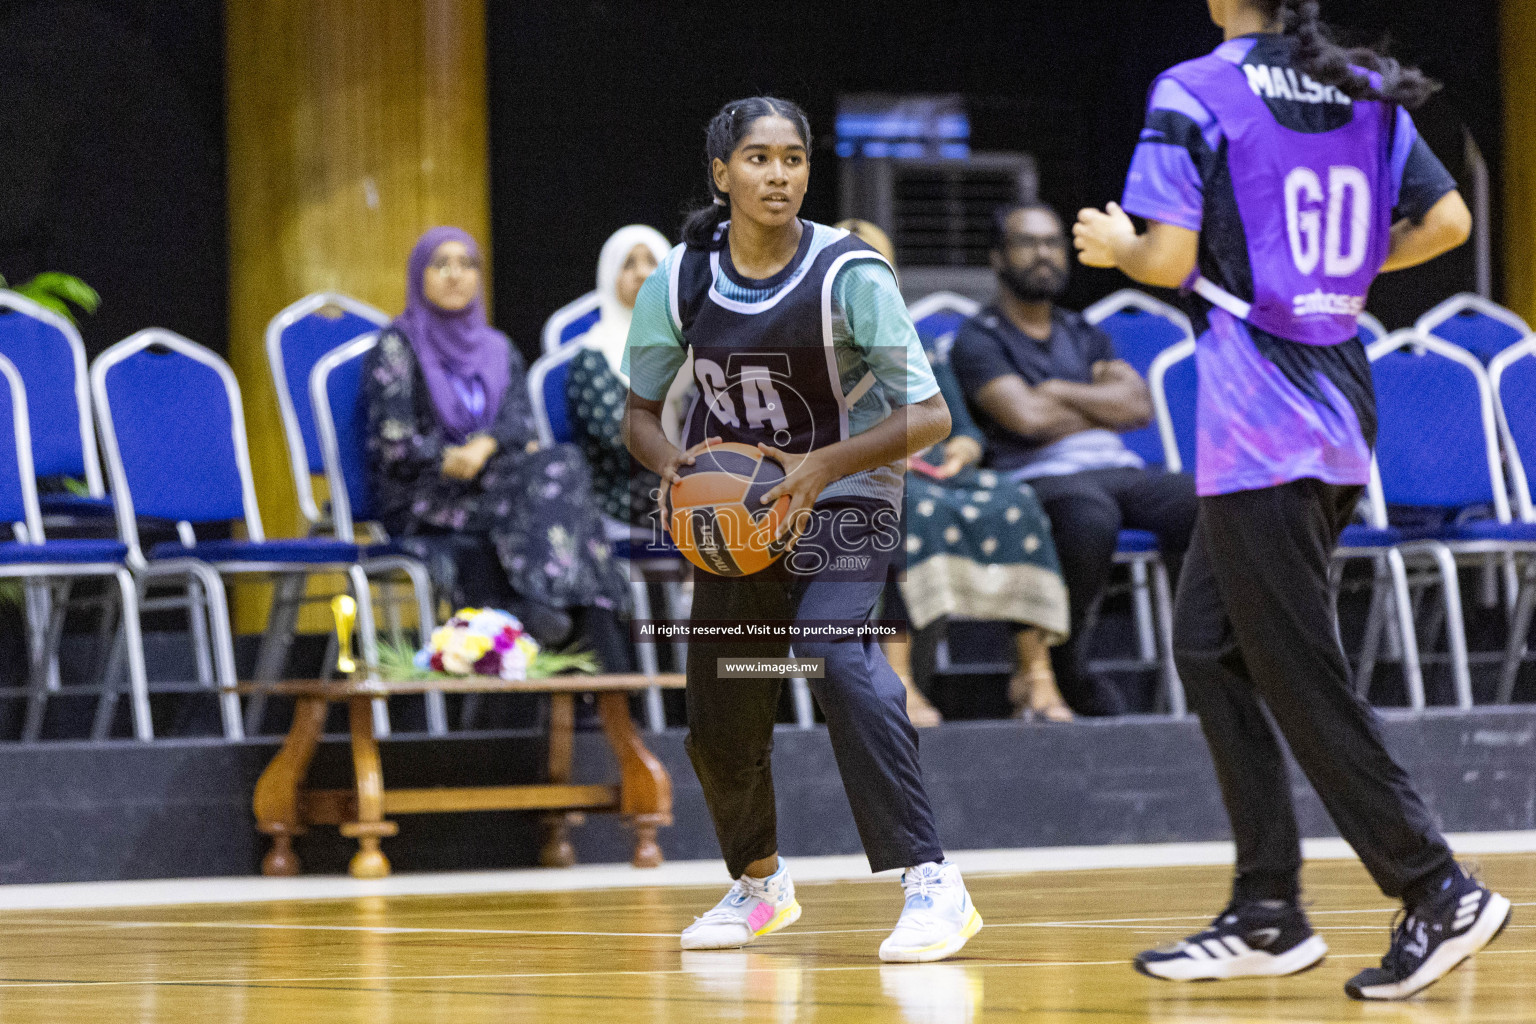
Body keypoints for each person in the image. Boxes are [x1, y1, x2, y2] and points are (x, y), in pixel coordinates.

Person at [1074, 0, 1508, 1000]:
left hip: (1265, 415)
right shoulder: (1360, 86)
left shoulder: (1197, 89)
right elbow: (1448, 222)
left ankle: (1435, 884)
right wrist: (1339, 275)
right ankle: (1268, 908)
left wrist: (1115, 242)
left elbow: (1171, 258)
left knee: (1299, 672)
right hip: (1337, 398)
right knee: (1208, 645)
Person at [623, 97, 982, 962]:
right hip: (742, 511)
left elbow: (928, 415)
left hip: (849, 492)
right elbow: (639, 415)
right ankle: (758, 884)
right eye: (757, 159)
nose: (777, 175)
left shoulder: (849, 273)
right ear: (721, 173)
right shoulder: (679, 278)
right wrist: (676, 470)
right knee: (721, 704)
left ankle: (932, 882)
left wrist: (820, 467)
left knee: (832, 653)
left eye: (792, 158)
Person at [950, 202, 1199, 716]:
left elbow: (1137, 406)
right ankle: (1064, 663)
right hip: (1037, 475)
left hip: (1119, 468)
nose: (1043, 254)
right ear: (998, 258)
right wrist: (1096, 402)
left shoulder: (1081, 331)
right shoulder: (980, 338)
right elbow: (1025, 420)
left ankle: (1210, 661)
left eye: (1052, 242)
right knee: (1088, 517)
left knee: (1207, 501)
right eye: (1027, 242)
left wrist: (1058, 390)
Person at [835, 218, 1073, 724]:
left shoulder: (913, 345)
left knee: (1015, 499)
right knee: (902, 506)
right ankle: (898, 679)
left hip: (934, 472)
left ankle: (1034, 673)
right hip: (853, 482)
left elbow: (963, 428)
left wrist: (962, 449)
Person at [364, 226, 631, 669]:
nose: (455, 275)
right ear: (419, 276)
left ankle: (548, 607)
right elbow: (392, 442)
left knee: (562, 461)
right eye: (441, 264)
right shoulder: (397, 346)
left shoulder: (498, 348)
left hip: (493, 488)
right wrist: (446, 456)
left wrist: (483, 446)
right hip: (425, 496)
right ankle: (589, 629)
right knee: (551, 486)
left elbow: (519, 423)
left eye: (467, 264)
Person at [566, 225, 672, 526]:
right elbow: (622, 437)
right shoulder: (592, 357)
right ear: (609, 277)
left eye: (652, 262)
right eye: (628, 264)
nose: (641, 273)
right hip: (626, 488)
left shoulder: (688, 344)